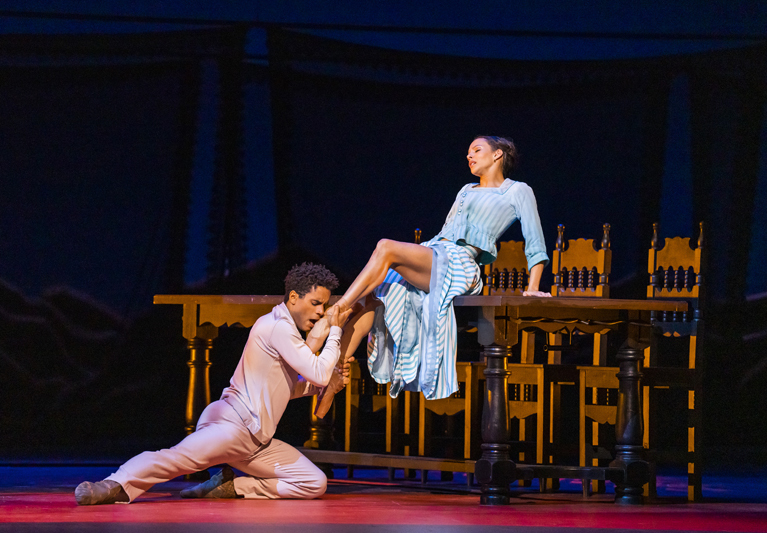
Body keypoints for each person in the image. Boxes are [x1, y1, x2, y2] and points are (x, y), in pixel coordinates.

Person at [74, 263, 352, 505]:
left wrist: (322, 387)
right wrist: (336, 330)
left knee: (314, 482)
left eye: (325, 306)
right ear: (293, 297)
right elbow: (318, 372)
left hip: (255, 442)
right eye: (316, 303)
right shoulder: (277, 326)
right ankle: (113, 485)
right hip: (233, 427)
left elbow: (286, 388)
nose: (321, 312)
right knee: (177, 458)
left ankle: (233, 487)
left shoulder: (286, 331)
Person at [336, 136, 551, 401]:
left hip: (460, 263)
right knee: (377, 294)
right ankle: (336, 369)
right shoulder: (466, 190)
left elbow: (535, 241)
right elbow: (444, 233)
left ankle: (335, 312)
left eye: (476, 150)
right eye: (468, 152)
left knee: (385, 248)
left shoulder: (517, 191)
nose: (469, 156)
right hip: (436, 252)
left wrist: (533, 287)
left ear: (498, 155)